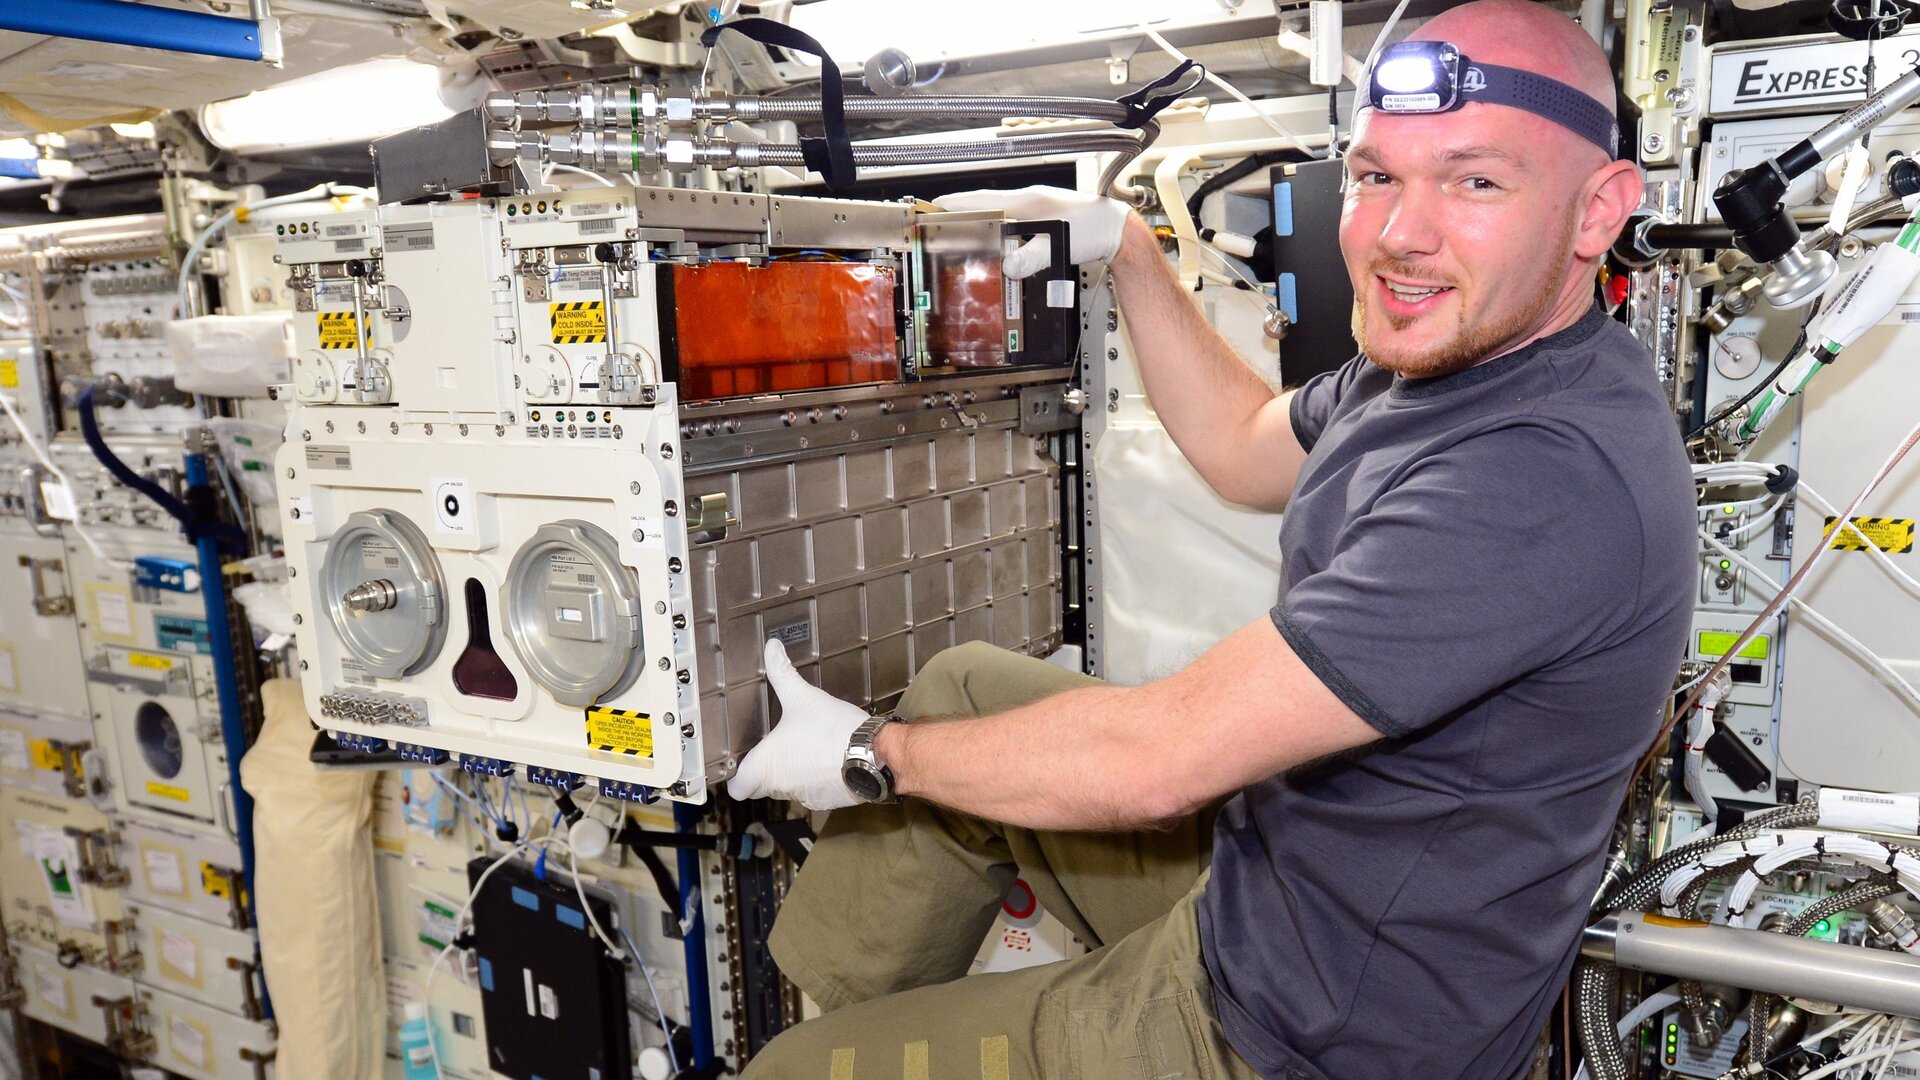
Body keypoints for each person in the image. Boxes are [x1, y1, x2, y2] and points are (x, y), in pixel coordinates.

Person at [728, 1, 1696, 1076]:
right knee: (962, 687)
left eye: (1477, 182)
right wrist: (1129, 251)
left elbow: (1156, 767)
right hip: (1284, 873)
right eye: (1378, 176)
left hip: (1304, 1030)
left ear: (1598, 210)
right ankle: (838, 1017)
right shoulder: (1440, 358)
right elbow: (1242, 445)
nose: (1397, 235)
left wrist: (869, 757)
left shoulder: (1539, 474)